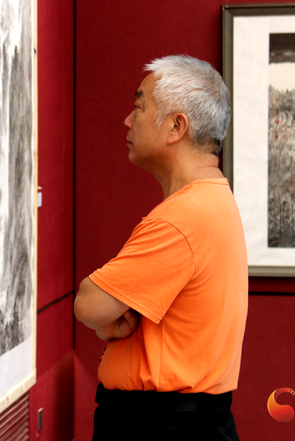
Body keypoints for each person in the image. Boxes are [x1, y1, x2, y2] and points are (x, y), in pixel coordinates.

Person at [73, 55, 248, 440]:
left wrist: (110, 319)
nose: (128, 120)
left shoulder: (182, 216)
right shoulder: (214, 198)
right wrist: (113, 321)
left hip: (162, 426)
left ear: (176, 126)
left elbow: (88, 304)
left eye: (139, 107)